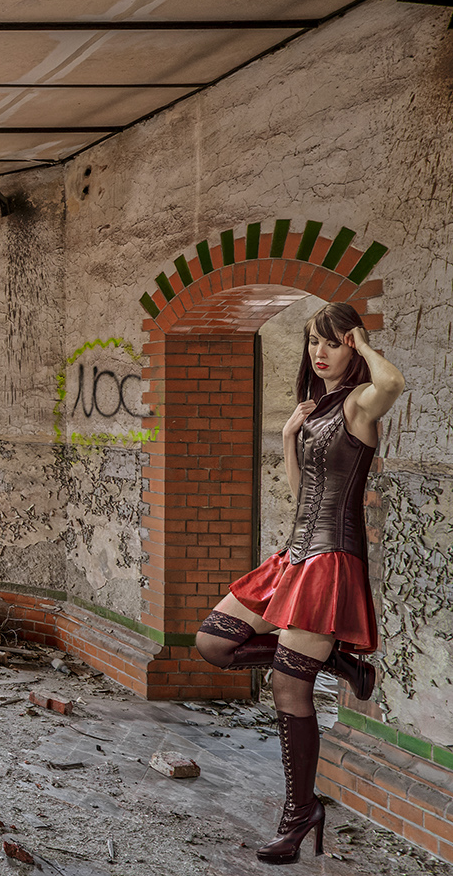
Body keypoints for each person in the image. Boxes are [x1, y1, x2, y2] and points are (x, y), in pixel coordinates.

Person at [193, 301, 404, 865]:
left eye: (331, 342)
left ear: (351, 348)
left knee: (289, 688)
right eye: (314, 340)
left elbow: (395, 380)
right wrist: (289, 435)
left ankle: (298, 813)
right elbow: (298, 490)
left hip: (332, 560)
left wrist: (359, 341)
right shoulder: (317, 409)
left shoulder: (361, 402)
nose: (320, 351)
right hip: (293, 557)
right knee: (214, 640)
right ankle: (340, 663)